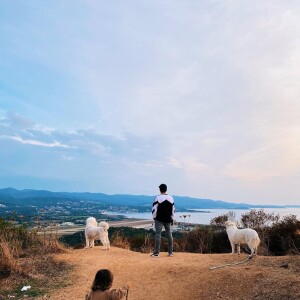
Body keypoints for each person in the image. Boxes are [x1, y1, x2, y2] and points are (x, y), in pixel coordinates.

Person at [151, 183, 175, 257]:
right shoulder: (171, 198)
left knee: (158, 234)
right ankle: (170, 253)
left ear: (160, 189)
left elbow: (154, 209)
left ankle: (156, 253)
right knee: (169, 235)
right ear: (166, 189)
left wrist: (154, 217)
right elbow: (173, 210)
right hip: (168, 219)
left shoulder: (157, 198)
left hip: (159, 218)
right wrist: (172, 218)